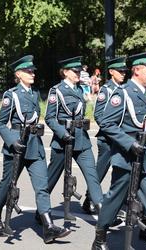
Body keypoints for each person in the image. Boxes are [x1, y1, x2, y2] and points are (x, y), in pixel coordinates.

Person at [92, 51, 146, 250]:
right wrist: (129, 143)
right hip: (126, 157)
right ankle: (100, 238)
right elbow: (107, 123)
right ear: (137, 70)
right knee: (114, 199)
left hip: (145, 156)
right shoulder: (123, 93)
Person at [0, 55, 71, 243]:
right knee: (7, 183)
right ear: (18, 74)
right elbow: (1, 123)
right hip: (17, 147)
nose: (32, 73)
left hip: (35, 146)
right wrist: (12, 141)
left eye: (33, 71)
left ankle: (48, 227)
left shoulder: (34, 93)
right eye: (28, 71)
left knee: (42, 187)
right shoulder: (12, 95)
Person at [44, 56, 103, 218]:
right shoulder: (57, 91)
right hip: (63, 140)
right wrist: (63, 134)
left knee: (92, 176)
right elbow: (49, 118)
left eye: (79, 71)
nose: (78, 73)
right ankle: (41, 211)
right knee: (51, 178)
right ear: (65, 72)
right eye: (74, 71)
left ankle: (103, 213)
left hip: (82, 140)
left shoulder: (79, 90)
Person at [82, 57, 127, 215]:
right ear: (111, 72)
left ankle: (117, 201)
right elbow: (99, 115)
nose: (123, 74)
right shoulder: (106, 90)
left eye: (124, 71)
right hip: (107, 140)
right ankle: (89, 200)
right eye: (120, 71)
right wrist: (113, 131)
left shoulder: (124, 89)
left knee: (120, 170)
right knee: (100, 170)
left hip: (121, 138)